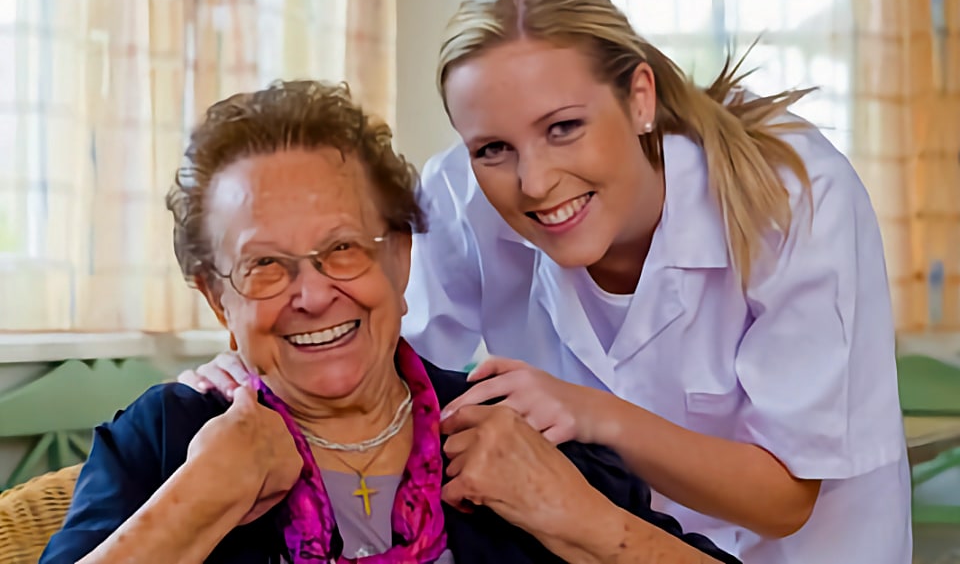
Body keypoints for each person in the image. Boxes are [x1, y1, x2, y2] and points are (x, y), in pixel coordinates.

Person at [182, 0, 911, 563]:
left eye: (564, 127)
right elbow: (384, 370)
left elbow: (785, 498)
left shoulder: (791, 192)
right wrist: (253, 371)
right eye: (492, 148)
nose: (532, 182)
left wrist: (589, 413)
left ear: (639, 95)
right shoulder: (460, 198)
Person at [41, 81, 738, 564]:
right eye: (265, 265)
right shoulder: (167, 442)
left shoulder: (509, 428)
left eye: (342, 248)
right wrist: (202, 495)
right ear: (219, 301)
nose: (312, 294)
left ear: (401, 259)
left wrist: (574, 513)